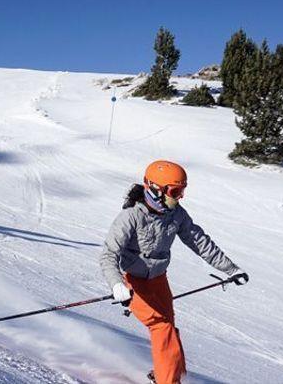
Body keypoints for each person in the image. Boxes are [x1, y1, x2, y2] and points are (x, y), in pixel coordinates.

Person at [99, 160, 248, 384]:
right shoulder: (131, 217)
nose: (180, 197)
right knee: (161, 327)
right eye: (176, 191)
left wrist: (231, 269)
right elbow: (109, 254)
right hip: (133, 282)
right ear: (156, 190)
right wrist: (117, 284)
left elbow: (200, 242)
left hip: (159, 279)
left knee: (168, 326)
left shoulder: (176, 214)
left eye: (182, 191)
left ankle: (166, 375)